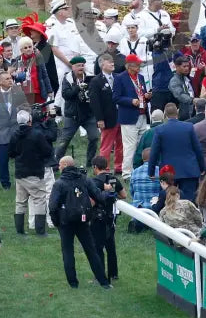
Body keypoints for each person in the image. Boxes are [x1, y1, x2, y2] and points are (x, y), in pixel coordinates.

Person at [49, 157, 111, 289]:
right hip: (82, 221)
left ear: (65, 165)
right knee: (91, 251)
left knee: (68, 251)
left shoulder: (59, 184)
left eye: (60, 165)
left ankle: (73, 284)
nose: (59, 168)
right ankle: (104, 282)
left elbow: (53, 206)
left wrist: (56, 222)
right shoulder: (84, 179)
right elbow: (99, 196)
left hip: (65, 222)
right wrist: (109, 196)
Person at [148, 103, 205, 201]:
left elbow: (154, 152)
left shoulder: (160, 130)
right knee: (189, 201)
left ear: (165, 114)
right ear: (177, 112)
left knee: (170, 200)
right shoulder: (189, 127)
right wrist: (202, 167)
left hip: (168, 172)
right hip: (189, 170)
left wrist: (151, 172)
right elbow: (198, 149)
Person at [55, 56, 100, 166]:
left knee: (94, 137)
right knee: (64, 140)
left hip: (88, 115)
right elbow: (66, 95)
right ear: (73, 67)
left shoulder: (90, 77)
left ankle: (90, 163)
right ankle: (55, 164)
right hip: (72, 115)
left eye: (82, 65)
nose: (81, 67)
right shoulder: (68, 78)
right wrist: (78, 88)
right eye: (78, 65)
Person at [113, 54, 150, 177]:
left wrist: (146, 97)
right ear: (130, 66)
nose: (139, 66)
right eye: (137, 64)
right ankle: (127, 173)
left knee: (142, 144)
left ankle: (139, 170)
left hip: (142, 115)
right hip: (129, 117)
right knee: (130, 146)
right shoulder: (120, 78)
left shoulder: (140, 77)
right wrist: (130, 101)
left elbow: (141, 93)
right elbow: (116, 97)